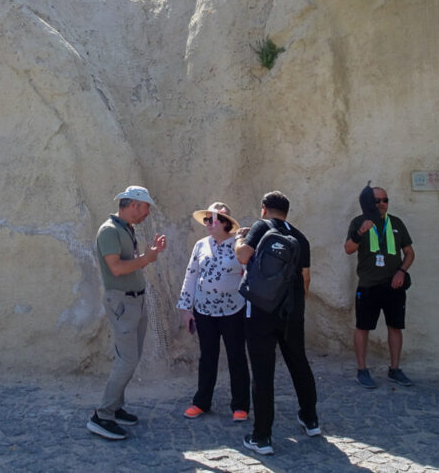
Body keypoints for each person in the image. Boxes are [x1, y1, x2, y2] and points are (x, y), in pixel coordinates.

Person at [234, 191, 320, 456]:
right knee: (299, 362)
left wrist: (239, 237)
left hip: (260, 310)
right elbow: (305, 278)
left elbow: (242, 256)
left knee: (262, 371)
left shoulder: (261, 228)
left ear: (264, 209)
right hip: (291, 311)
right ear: (287, 211)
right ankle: (310, 420)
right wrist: (297, 306)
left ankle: (262, 436)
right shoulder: (300, 238)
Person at [87, 185, 168, 441]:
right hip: (122, 302)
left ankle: (116, 406)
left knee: (130, 357)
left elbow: (131, 263)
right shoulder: (109, 231)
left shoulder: (125, 229)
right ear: (133, 204)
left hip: (134, 301)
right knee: (128, 360)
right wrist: (147, 258)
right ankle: (102, 416)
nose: (146, 213)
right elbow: (117, 269)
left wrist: (148, 255)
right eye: (145, 208)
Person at [176, 202, 250, 423]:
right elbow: (191, 275)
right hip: (204, 310)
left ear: (226, 223)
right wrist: (185, 308)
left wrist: (250, 308)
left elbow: (248, 275)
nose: (208, 223)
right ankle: (201, 402)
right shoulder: (200, 245)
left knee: (236, 356)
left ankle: (240, 405)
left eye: (213, 219)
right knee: (207, 357)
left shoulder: (239, 246)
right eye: (207, 219)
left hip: (233, 310)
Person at [344, 185, 415, 389]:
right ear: (369, 203)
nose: (382, 204)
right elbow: (348, 249)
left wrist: (401, 271)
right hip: (368, 284)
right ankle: (362, 370)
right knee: (363, 327)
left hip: (393, 285)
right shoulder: (358, 222)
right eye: (377, 201)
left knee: (395, 326)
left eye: (385, 200)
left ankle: (394, 369)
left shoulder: (396, 223)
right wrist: (360, 232)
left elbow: (409, 252)